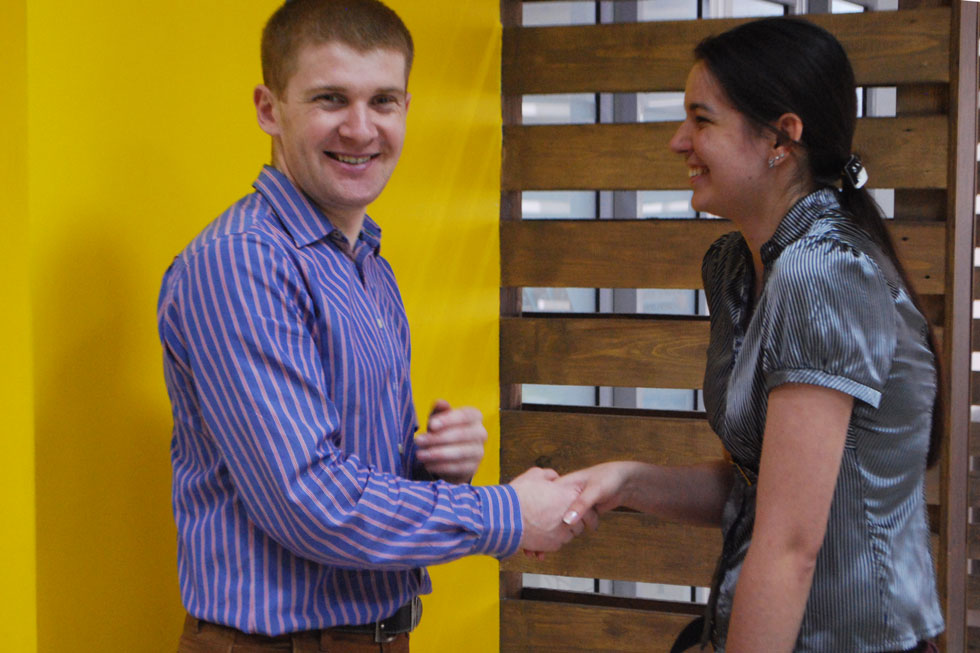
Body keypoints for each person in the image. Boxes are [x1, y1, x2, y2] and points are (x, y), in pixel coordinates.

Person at [157, 1, 591, 650]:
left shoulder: (366, 264)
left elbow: (352, 481)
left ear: (406, 109)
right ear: (269, 109)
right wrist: (507, 513)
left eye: (383, 101)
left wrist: (435, 464)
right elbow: (311, 502)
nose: (361, 129)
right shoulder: (242, 262)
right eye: (330, 98)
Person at [559, 17, 943, 653]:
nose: (679, 141)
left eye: (702, 120)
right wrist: (625, 481)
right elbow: (759, 488)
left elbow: (791, 545)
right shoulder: (736, 267)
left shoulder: (823, 272)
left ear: (780, 138)